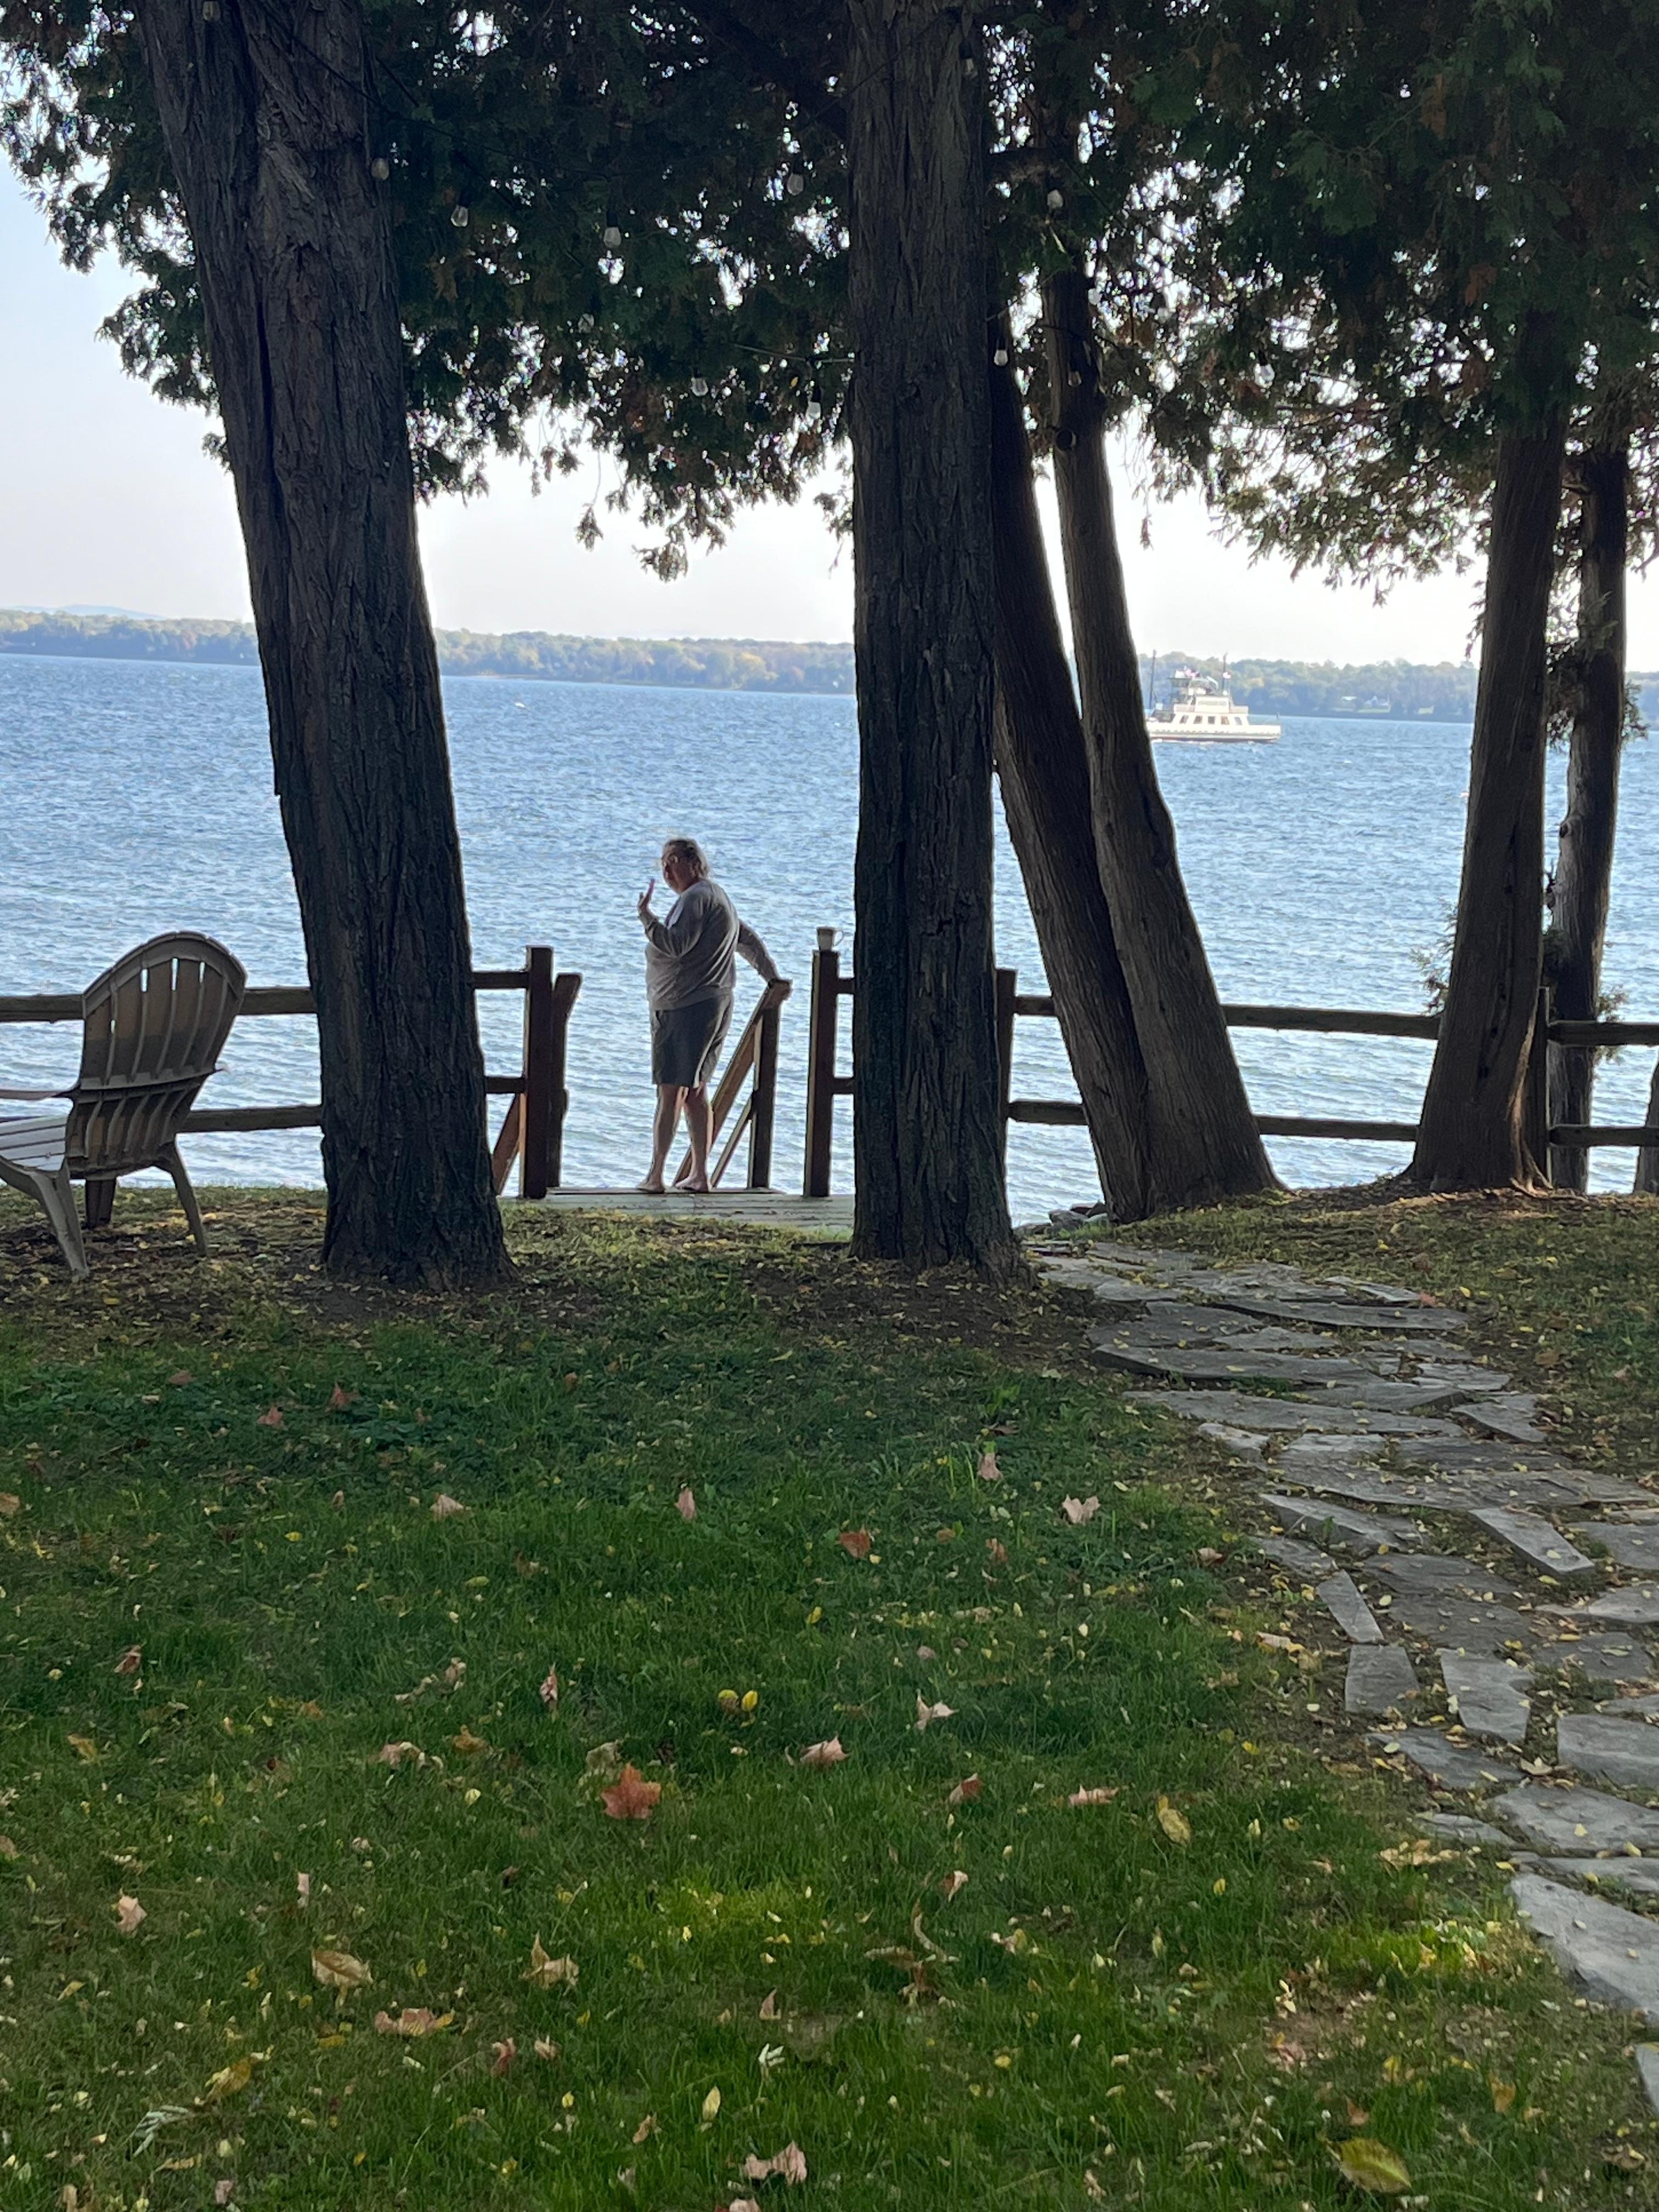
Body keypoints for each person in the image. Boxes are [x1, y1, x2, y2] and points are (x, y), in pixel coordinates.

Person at [635, 838, 783, 1193]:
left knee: (671, 1090)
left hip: (685, 1006)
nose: (666, 870)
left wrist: (647, 918)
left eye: (673, 861)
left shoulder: (695, 898)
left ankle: (656, 1176)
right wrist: (772, 977)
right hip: (713, 1003)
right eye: (663, 863)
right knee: (696, 1090)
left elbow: (676, 944)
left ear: (694, 862)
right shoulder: (717, 897)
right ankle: (701, 1174)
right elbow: (746, 939)